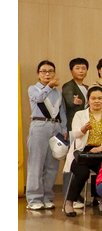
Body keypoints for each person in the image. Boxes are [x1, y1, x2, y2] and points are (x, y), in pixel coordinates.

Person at [63, 86, 102, 216]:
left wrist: (100, 148)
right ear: (88, 100)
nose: (97, 101)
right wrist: (83, 130)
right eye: (93, 98)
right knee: (82, 173)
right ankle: (69, 202)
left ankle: (100, 200)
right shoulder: (80, 115)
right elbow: (75, 133)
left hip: (100, 151)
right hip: (82, 152)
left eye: (100, 98)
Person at [27, 60, 67, 211]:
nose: (47, 74)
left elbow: (62, 112)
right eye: (43, 71)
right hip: (39, 125)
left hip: (55, 126)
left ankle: (47, 197)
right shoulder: (33, 89)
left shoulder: (58, 92)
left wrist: (63, 129)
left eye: (50, 71)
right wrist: (49, 86)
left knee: (52, 165)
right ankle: (34, 198)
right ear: (38, 74)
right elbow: (39, 99)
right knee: (36, 163)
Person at [62, 58, 89, 135]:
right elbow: (69, 101)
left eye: (83, 68)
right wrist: (73, 101)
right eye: (77, 68)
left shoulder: (87, 87)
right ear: (71, 71)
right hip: (73, 123)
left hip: (86, 123)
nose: (81, 71)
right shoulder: (68, 86)